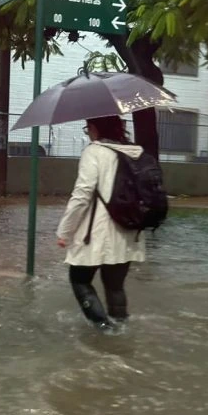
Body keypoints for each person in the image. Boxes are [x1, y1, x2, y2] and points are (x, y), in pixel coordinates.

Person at [56, 115, 146, 332]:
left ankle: (103, 329)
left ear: (95, 128)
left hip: (97, 231)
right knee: (115, 285)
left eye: (88, 129)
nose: (88, 133)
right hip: (128, 229)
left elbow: (82, 194)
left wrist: (65, 232)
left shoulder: (94, 152)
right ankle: (121, 329)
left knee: (79, 279)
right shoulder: (135, 152)